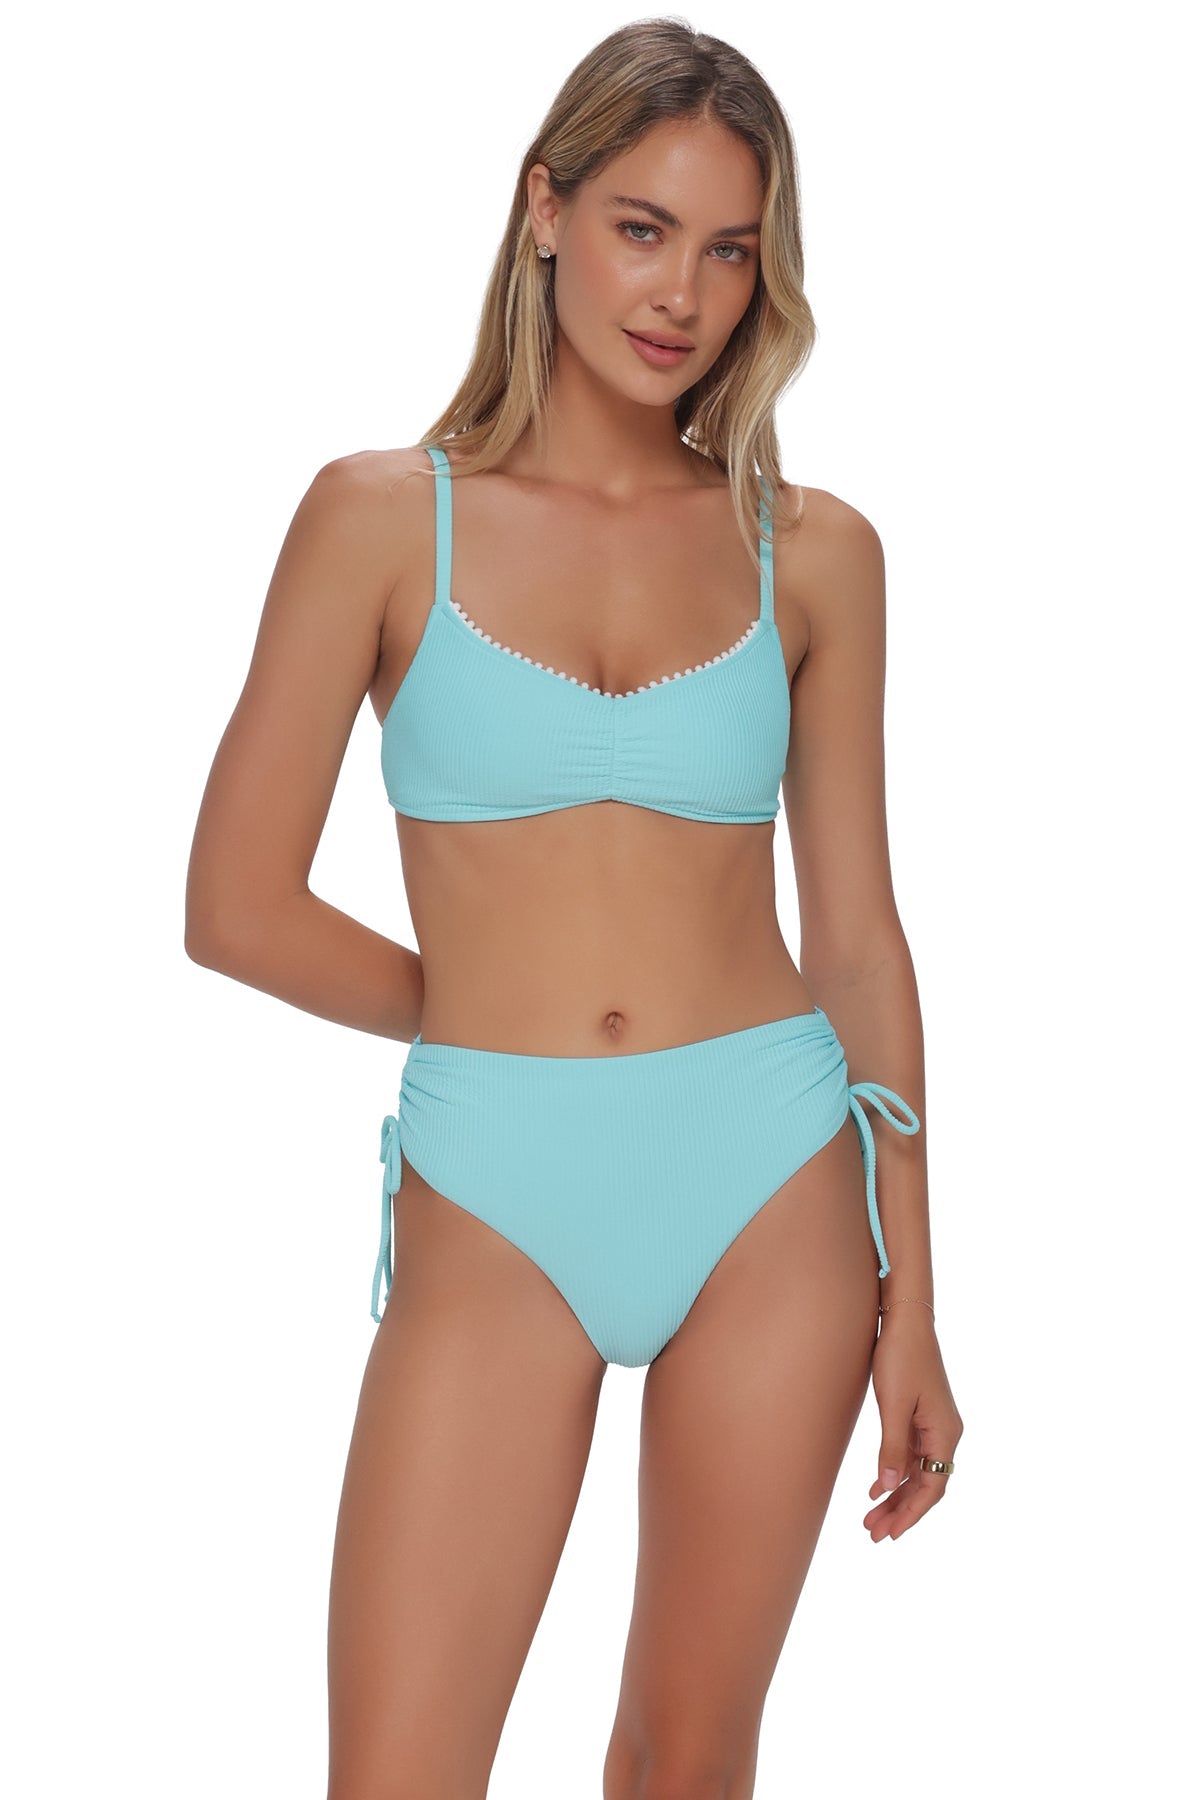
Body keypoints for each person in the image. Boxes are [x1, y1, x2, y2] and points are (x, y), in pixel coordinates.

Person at [185, 17, 964, 1799]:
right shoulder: (382, 521)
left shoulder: (813, 552)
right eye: (641, 227)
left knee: (686, 1764)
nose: (682, 292)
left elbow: (858, 939)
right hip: (498, 1177)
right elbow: (232, 904)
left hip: (772, 1174)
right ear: (543, 211)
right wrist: (484, 1009)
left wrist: (915, 1294)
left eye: (730, 249)